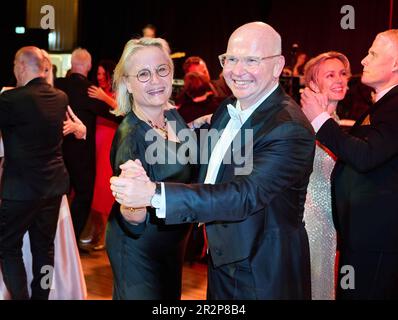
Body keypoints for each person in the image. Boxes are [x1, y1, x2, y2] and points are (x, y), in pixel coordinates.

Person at [111, 22, 315, 300]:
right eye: (231, 59)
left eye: (251, 60)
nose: (237, 70)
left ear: (278, 66)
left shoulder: (289, 128)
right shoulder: (228, 109)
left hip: (263, 271)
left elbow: (244, 195)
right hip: (218, 261)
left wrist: (153, 193)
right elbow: (213, 165)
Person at [301, 29, 398, 299]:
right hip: (317, 223)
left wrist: (321, 119)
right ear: (311, 82)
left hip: (368, 236)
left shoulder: (386, 108)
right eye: (330, 74)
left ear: (395, 64)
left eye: (372, 54)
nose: (363, 61)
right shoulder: (299, 124)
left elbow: (364, 156)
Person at [105, 37, 200, 300]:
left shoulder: (171, 115)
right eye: (144, 74)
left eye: (162, 70)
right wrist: (132, 200)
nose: (156, 81)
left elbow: (185, 160)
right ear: (127, 83)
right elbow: (132, 218)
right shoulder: (131, 138)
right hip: (139, 249)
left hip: (171, 245)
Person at [0, 46, 69, 299]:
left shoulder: (10, 100)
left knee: (8, 247)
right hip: (53, 187)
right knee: (44, 249)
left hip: (20, 189)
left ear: (20, 66)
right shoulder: (60, 97)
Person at [55, 48, 120, 243]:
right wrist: (105, 98)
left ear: (71, 64)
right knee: (83, 195)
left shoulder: (57, 85)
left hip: (57, 151)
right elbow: (121, 115)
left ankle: (55, 237)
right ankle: (70, 240)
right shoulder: (91, 91)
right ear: (89, 66)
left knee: (59, 195)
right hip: (82, 154)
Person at [302, 51, 351, 300]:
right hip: (311, 219)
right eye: (330, 75)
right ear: (312, 84)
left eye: (343, 74)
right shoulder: (305, 124)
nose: (339, 79)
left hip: (334, 219)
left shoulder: (335, 122)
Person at [80, 59, 118, 251]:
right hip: (95, 140)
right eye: (99, 74)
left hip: (109, 142)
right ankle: (94, 230)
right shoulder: (96, 90)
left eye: (104, 74)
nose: (100, 77)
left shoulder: (118, 91)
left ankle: (104, 233)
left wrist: (104, 97)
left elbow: (121, 111)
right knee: (93, 186)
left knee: (103, 187)